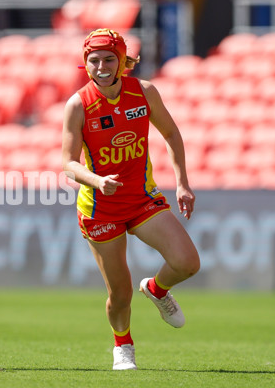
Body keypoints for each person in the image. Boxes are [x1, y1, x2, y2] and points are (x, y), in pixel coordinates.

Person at [61, 29, 200, 371]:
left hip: (141, 199)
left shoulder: (144, 92)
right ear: (86, 64)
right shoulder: (78, 104)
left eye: (109, 59)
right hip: (100, 207)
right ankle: (122, 346)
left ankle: (156, 288)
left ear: (123, 61)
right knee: (120, 294)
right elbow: (68, 164)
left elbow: (170, 133)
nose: (102, 66)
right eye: (94, 60)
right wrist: (96, 181)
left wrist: (182, 183)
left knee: (187, 263)